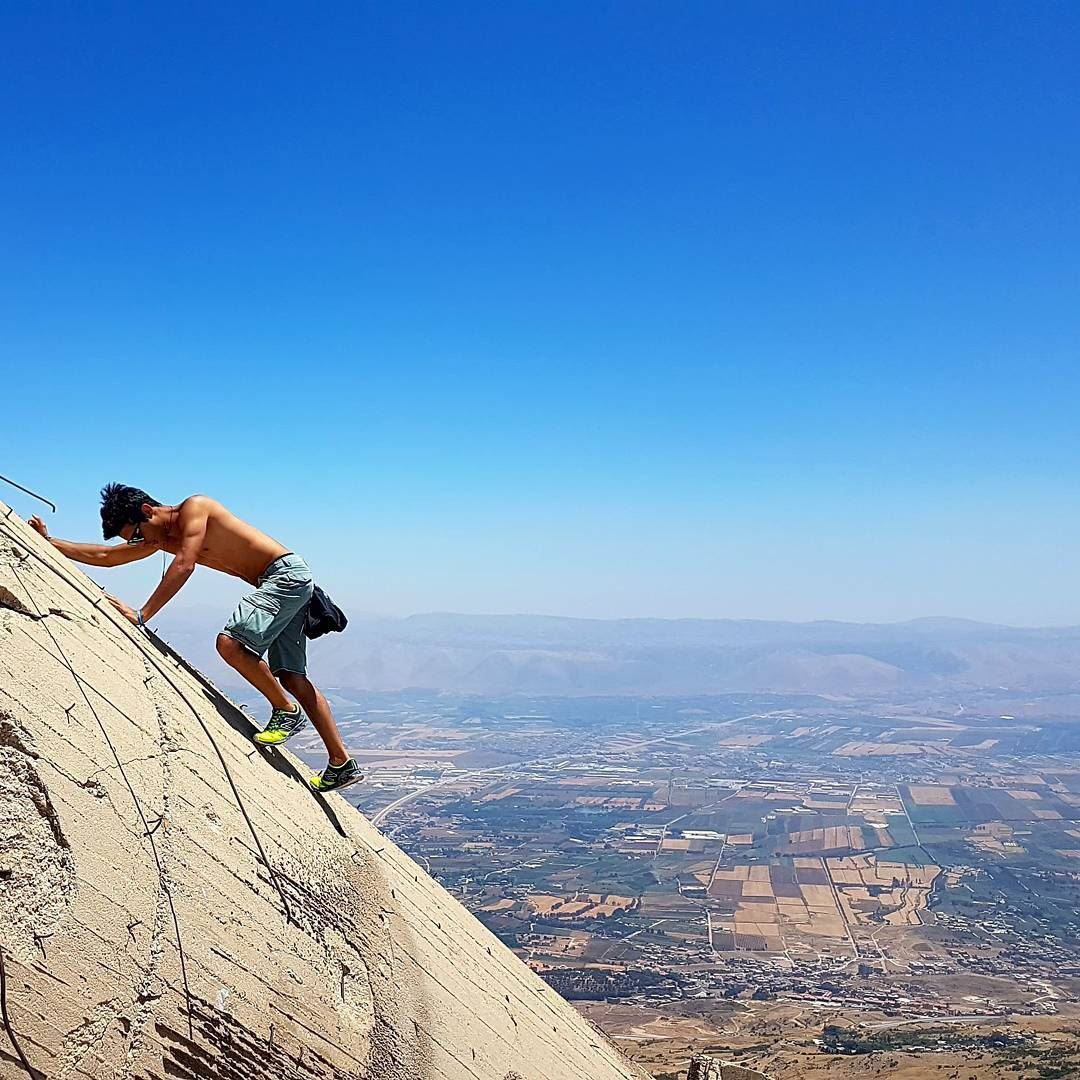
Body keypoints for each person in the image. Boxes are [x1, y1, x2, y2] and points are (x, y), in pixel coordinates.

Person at [29, 484, 363, 792]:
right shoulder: (159, 537)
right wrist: (50, 542)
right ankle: (340, 763)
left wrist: (142, 614)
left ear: (147, 511)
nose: (135, 543)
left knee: (230, 644)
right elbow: (107, 556)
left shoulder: (195, 508)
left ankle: (285, 711)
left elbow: (185, 564)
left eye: (135, 535)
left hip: (283, 576)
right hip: (284, 581)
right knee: (291, 675)